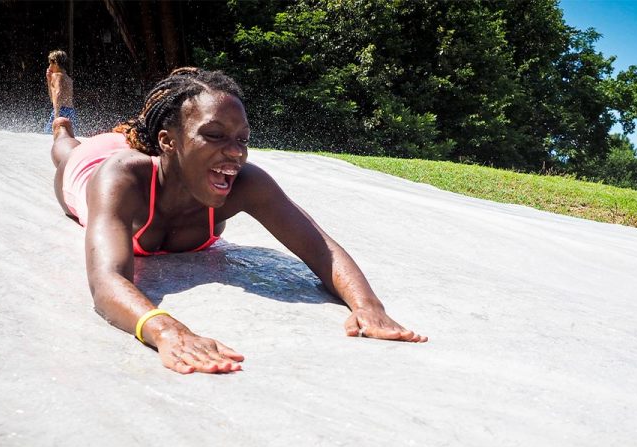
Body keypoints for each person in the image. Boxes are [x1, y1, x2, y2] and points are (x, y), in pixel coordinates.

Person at [50, 67, 426, 375]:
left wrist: (367, 306)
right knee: (67, 150)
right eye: (214, 136)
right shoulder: (122, 178)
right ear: (168, 141)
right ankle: (63, 117)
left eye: (242, 139)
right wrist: (167, 330)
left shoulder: (245, 183)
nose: (234, 153)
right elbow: (107, 281)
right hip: (88, 170)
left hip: (154, 159)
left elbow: (320, 247)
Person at [43, 50, 77, 134]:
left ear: (56, 63)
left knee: (48, 136)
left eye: (50, 63)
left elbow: (58, 93)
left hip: (61, 110)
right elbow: (52, 97)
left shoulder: (56, 75)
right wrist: (49, 80)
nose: (49, 66)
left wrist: (56, 115)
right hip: (71, 111)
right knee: (69, 136)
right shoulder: (68, 78)